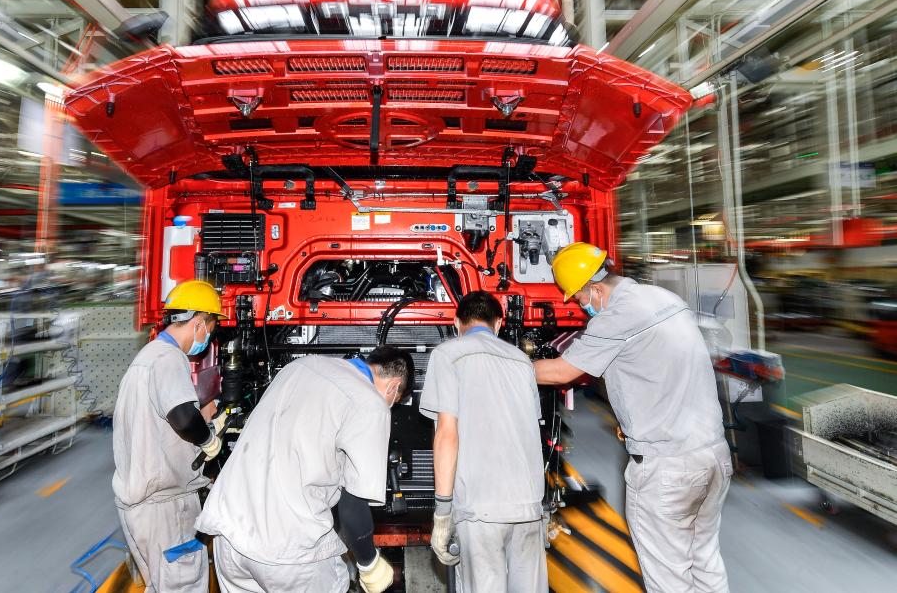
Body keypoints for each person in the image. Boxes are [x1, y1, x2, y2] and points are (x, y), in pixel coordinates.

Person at [534, 242, 731, 593]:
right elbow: (661, 368)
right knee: (704, 560)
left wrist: (505, 364)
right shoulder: (664, 298)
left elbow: (561, 372)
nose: (580, 306)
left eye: (578, 298)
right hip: (714, 455)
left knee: (669, 578)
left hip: (668, 469)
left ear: (596, 289)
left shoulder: (616, 317)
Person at [196, 346, 415, 593]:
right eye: (394, 402)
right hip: (290, 549)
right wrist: (369, 563)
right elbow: (352, 507)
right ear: (393, 387)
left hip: (229, 535)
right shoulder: (369, 403)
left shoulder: (300, 366)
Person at [419, 290, 547, 593]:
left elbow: (447, 433)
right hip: (529, 507)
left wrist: (442, 511)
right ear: (499, 323)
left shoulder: (449, 354)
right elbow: (533, 429)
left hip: (481, 509)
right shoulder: (522, 361)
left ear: (456, 322)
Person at [112, 280, 229, 593]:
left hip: (140, 505)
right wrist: (209, 440)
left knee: (161, 585)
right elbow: (182, 417)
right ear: (198, 322)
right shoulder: (169, 358)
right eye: (210, 329)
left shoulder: (147, 357)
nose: (208, 337)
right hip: (165, 509)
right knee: (182, 586)